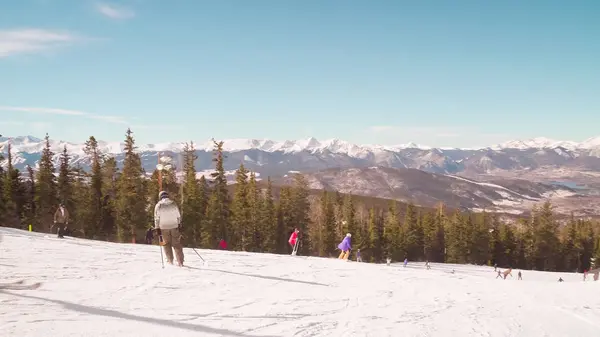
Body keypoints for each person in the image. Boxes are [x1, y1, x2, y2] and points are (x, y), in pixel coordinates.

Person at [154, 191, 184, 267]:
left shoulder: (158, 205)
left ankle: (170, 261)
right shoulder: (173, 204)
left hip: (163, 227)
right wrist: (179, 224)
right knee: (177, 244)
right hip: (174, 226)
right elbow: (178, 215)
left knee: (166, 244)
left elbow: (156, 218)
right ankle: (180, 261)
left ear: (160, 197)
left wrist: (157, 228)